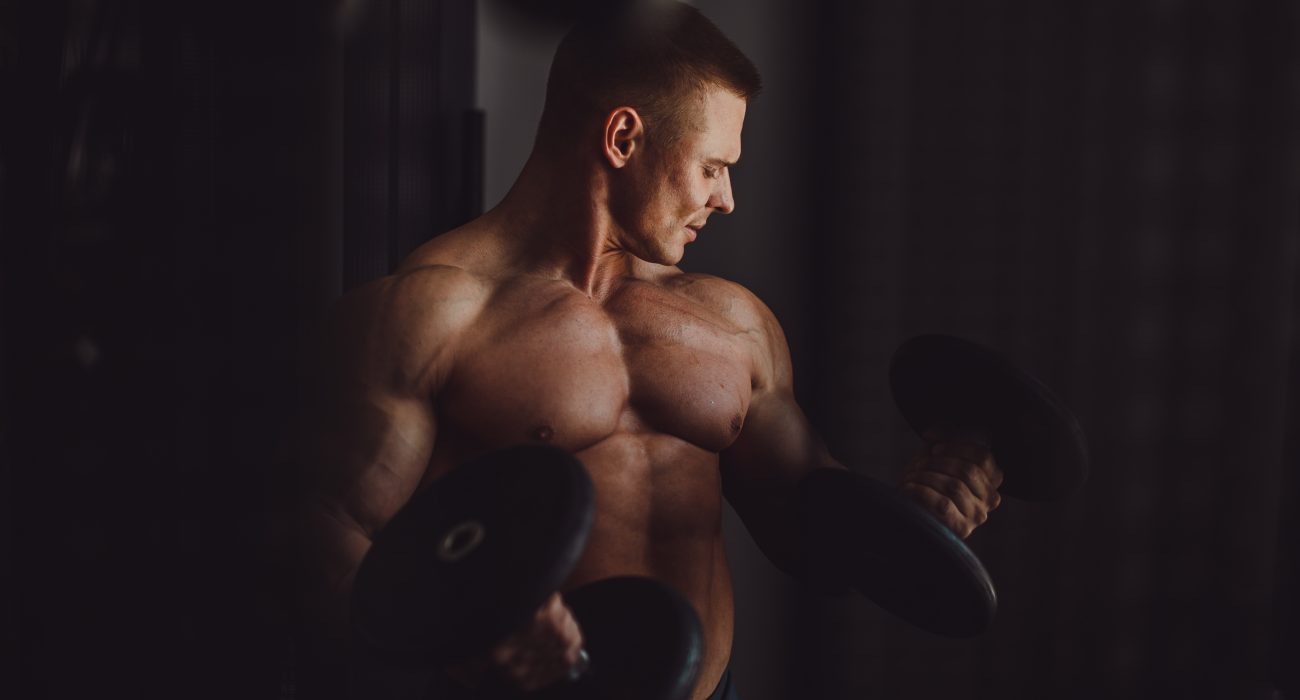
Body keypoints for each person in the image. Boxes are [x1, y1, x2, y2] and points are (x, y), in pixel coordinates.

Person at [281, 4, 1003, 699]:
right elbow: (320, 537)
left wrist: (922, 515)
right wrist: (466, 627)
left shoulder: (734, 323)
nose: (727, 200)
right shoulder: (432, 313)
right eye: (713, 166)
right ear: (624, 138)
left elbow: (810, 535)